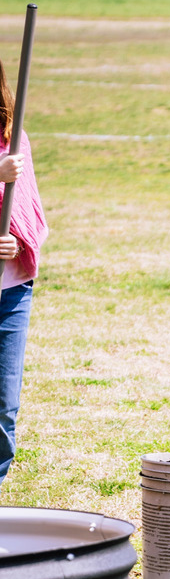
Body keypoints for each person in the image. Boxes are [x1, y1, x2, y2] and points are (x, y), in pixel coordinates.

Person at [0, 58, 48, 489]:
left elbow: (24, 211)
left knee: (3, 408)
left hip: (11, 291)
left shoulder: (13, 138)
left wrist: (16, 240)